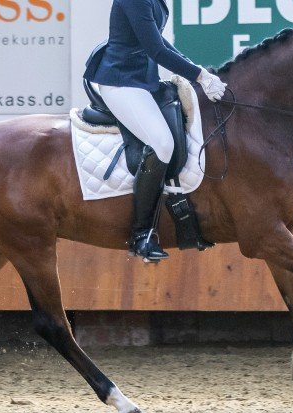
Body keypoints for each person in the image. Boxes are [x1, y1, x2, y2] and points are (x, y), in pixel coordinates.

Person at [84, 0, 227, 262]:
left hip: (142, 81)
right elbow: (156, 50)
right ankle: (142, 235)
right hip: (121, 82)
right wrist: (200, 77)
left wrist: (196, 69)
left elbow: (159, 41)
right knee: (162, 143)